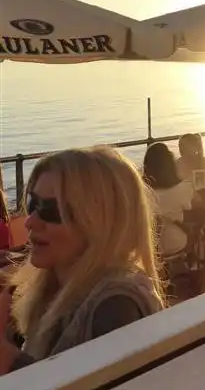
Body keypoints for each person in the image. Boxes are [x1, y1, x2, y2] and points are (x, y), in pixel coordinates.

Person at [0, 147, 165, 372]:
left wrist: (11, 363)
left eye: (51, 210)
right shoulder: (51, 286)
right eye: (33, 204)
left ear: (99, 222)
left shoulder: (116, 307)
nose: (30, 221)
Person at [143, 143, 194, 257]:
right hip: (175, 243)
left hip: (147, 247)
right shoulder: (183, 188)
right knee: (196, 227)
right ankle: (193, 263)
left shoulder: (141, 191)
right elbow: (190, 208)